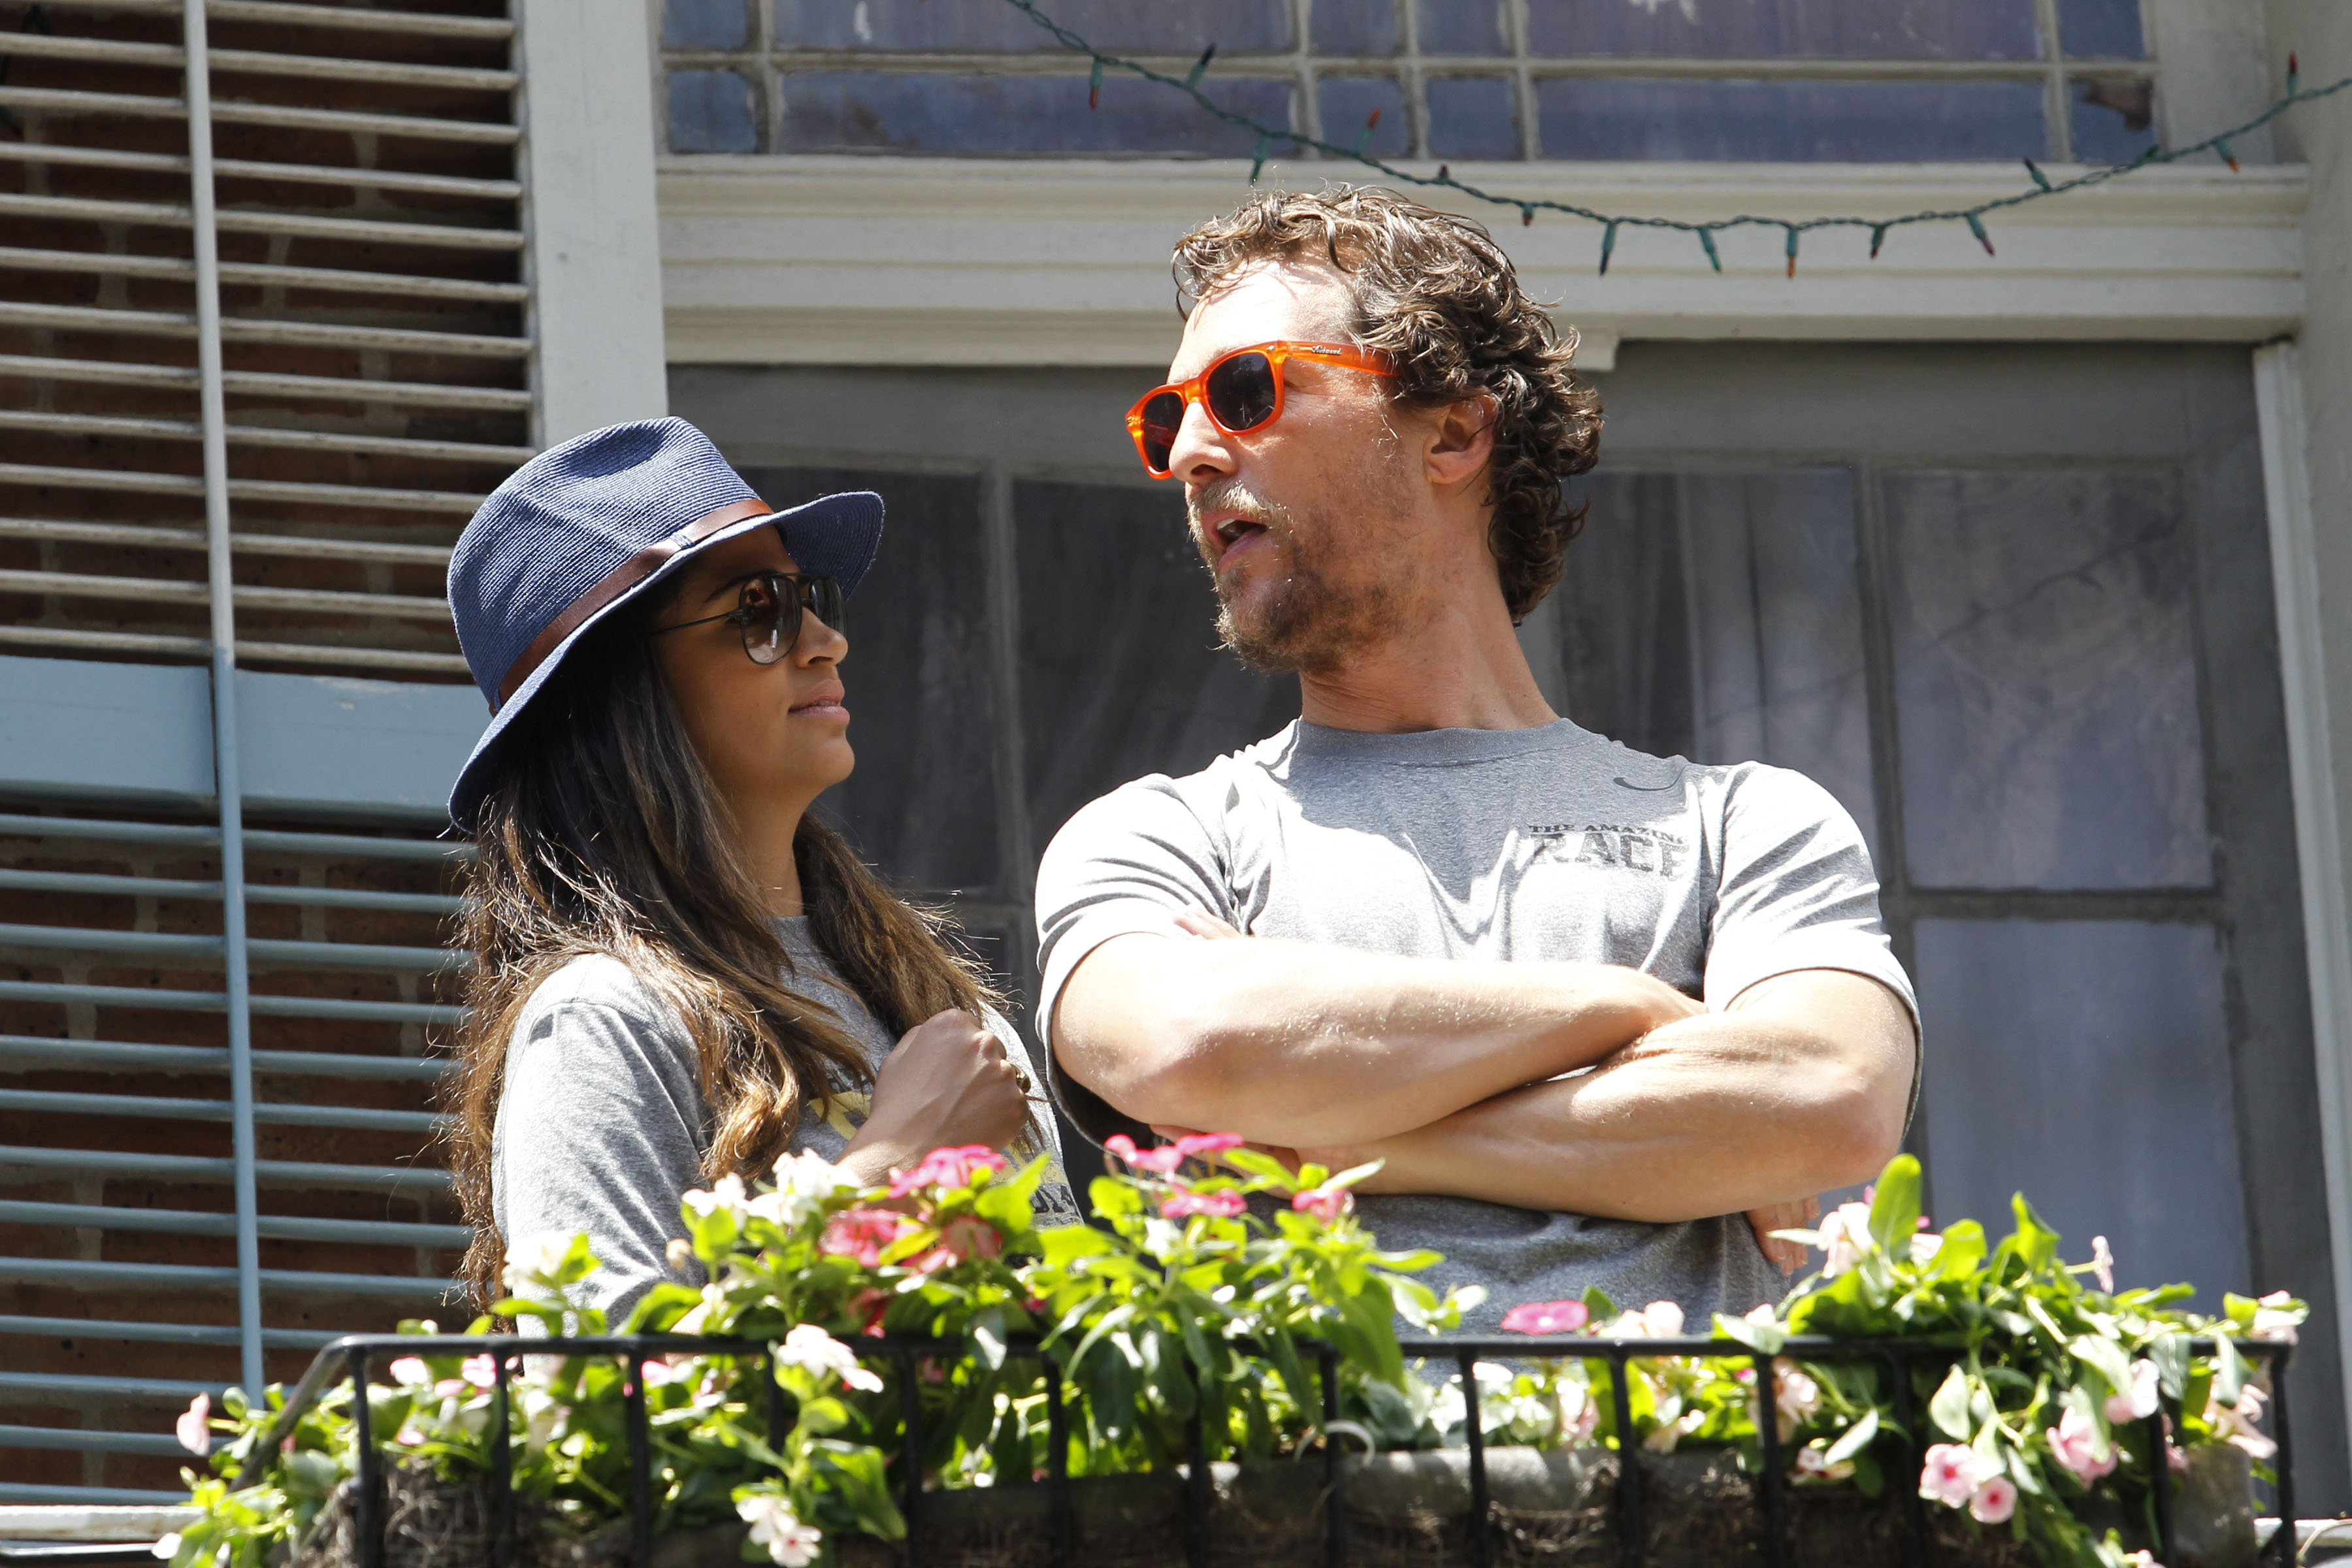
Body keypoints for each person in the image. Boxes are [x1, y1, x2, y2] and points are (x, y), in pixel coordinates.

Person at [1034, 188, 1918, 1328]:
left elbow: (1830, 1096)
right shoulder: (1161, 838)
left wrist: (1343, 1145)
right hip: (1323, 1450)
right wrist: (1622, 1005)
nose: (1193, 455)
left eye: (1246, 392)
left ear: (1452, 433)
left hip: (1675, 1449)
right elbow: (1185, 1046)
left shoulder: (1743, 823)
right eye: (1169, 420)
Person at [440, 417, 1073, 1319]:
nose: (824, 641)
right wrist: (895, 1169)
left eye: (811, 598)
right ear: (617, 691)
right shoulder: (603, 1023)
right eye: (757, 610)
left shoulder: (937, 1006)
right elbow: (608, 1385)